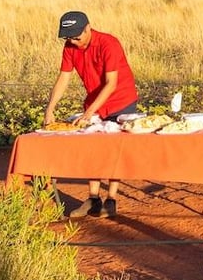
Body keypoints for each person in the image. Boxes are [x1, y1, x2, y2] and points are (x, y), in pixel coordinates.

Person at [43, 11, 140, 218]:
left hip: (121, 100)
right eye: (68, 37)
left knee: (115, 149)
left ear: (88, 28)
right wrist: (50, 109)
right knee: (91, 147)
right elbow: (63, 78)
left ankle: (111, 199)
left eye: (77, 36)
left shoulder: (108, 43)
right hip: (94, 101)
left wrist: (88, 113)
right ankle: (93, 198)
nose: (73, 41)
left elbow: (111, 83)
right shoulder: (69, 47)